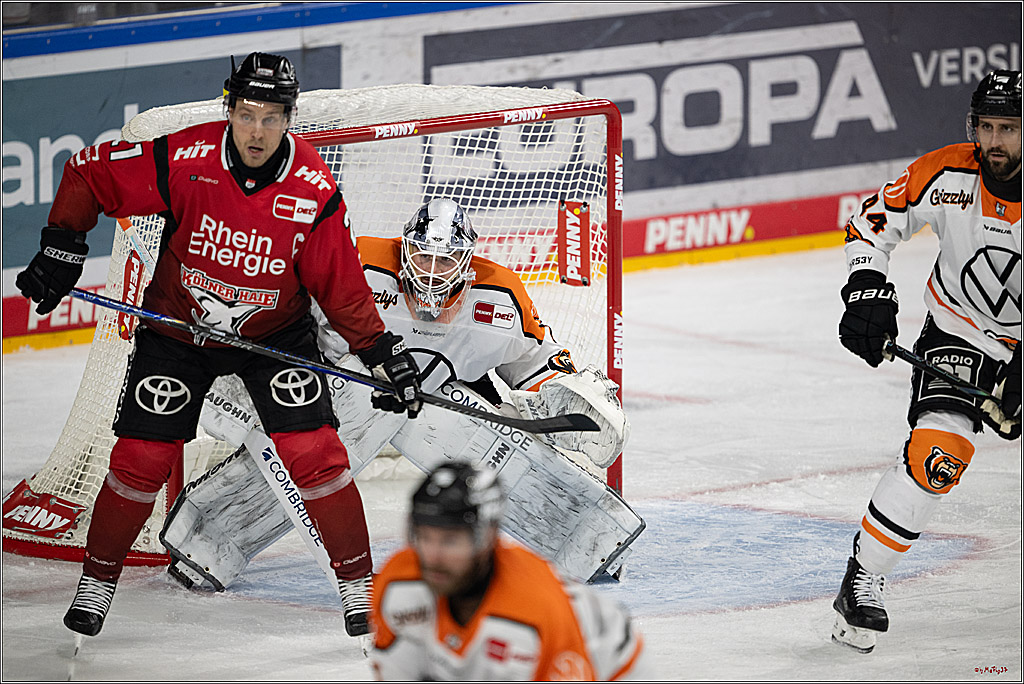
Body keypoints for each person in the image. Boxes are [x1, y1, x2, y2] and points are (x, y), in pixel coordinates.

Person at [14, 52, 421, 640]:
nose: (258, 131)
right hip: (179, 332)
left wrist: (380, 349)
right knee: (141, 460)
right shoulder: (185, 156)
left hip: (273, 336)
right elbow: (88, 171)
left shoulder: (311, 187)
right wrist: (62, 243)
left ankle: (357, 585)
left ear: (290, 119)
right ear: (229, 109)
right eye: (247, 113)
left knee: (316, 454)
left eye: (272, 117)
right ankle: (97, 583)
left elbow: (339, 283)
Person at [161, 198, 640, 600]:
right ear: (405, 252)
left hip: (446, 406)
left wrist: (564, 394)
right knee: (333, 417)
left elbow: (539, 363)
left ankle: (589, 539)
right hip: (341, 389)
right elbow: (286, 312)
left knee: (479, 441)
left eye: (446, 260)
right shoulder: (360, 262)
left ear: (468, 261)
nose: (433, 273)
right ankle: (208, 537)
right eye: (424, 258)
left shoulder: (501, 297)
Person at [832, 70, 1021, 653]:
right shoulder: (948, 171)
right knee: (938, 453)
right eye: (987, 127)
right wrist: (866, 290)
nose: (995, 141)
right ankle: (862, 583)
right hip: (959, 330)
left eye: (1009, 129)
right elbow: (871, 224)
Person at [370, 460, 652, 681]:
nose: (433, 556)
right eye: (424, 537)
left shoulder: (533, 610)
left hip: (608, 665)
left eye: (451, 541)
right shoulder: (399, 583)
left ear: (488, 538)